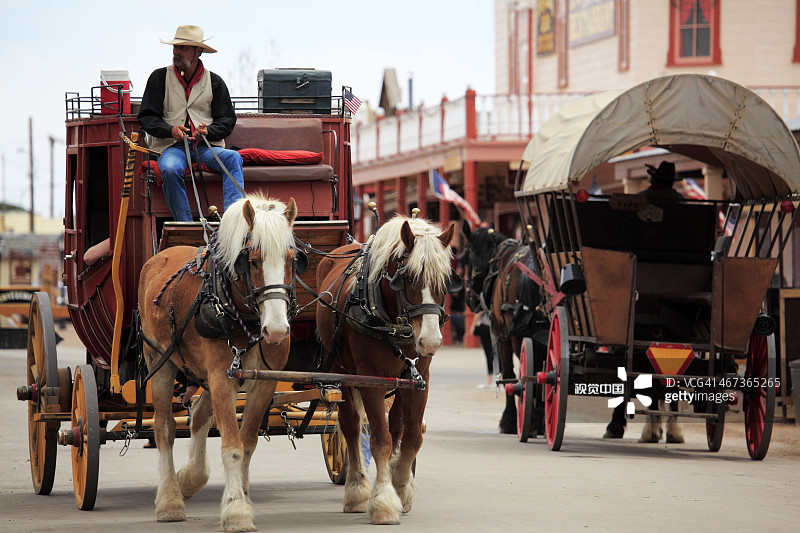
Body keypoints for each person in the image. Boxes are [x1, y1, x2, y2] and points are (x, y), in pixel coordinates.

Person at [138, 25, 245, 221]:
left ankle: (233, 223)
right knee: (169, 168)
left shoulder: (215, 82)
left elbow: (227, 121)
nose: (176, 51)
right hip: (171, 147)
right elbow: (146, 118)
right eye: (175, 47)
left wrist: (208, 131)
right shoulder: (159, 78)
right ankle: (185, 225)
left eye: (183, 48)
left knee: (233, 159)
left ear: (198, 51)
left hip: (205, 147)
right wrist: (170, 130)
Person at [471, 309, 494, 388]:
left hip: (485, 326)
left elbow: (479, 311)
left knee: (488, 353)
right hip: (497, 325)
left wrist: (473, 325)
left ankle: (490, 379)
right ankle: (500, 376)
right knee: (498, 351)